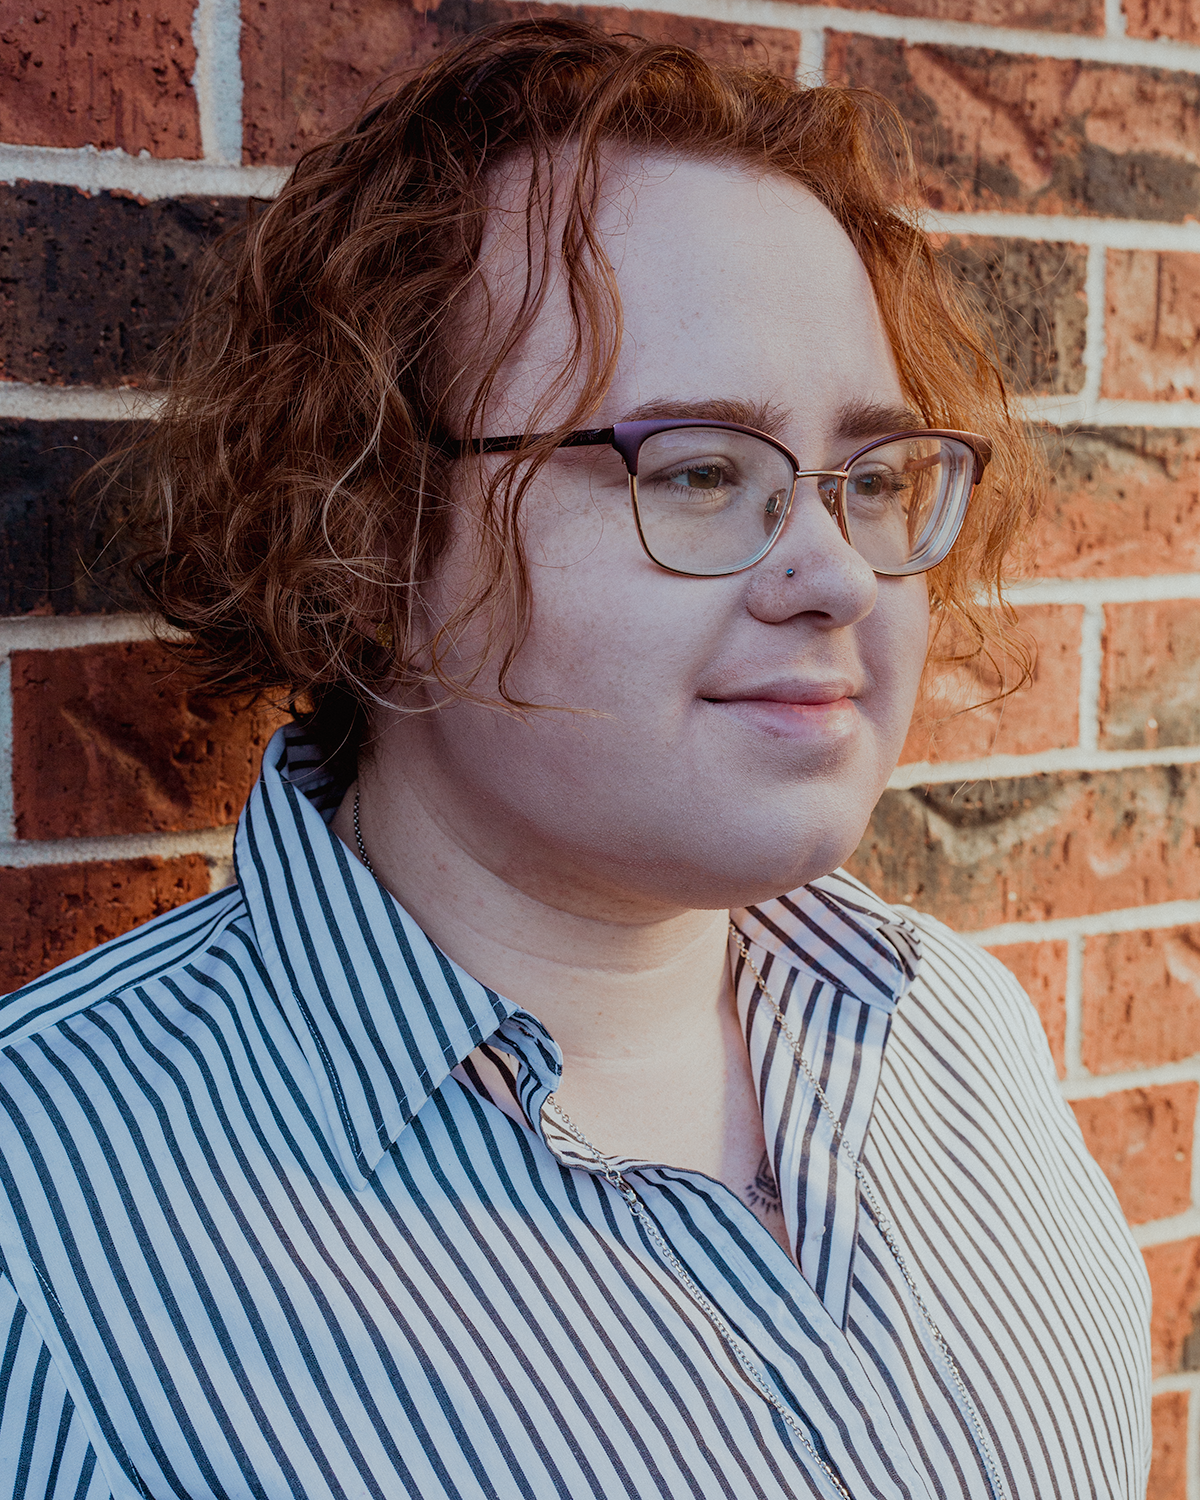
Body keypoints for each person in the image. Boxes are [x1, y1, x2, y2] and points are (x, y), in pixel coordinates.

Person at [0, 20, 1149, 1500]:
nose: (836, 574)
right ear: (368, 529)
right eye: (692, 471)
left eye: (869, 481)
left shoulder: (959, 1047)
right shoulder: (51, 1244)